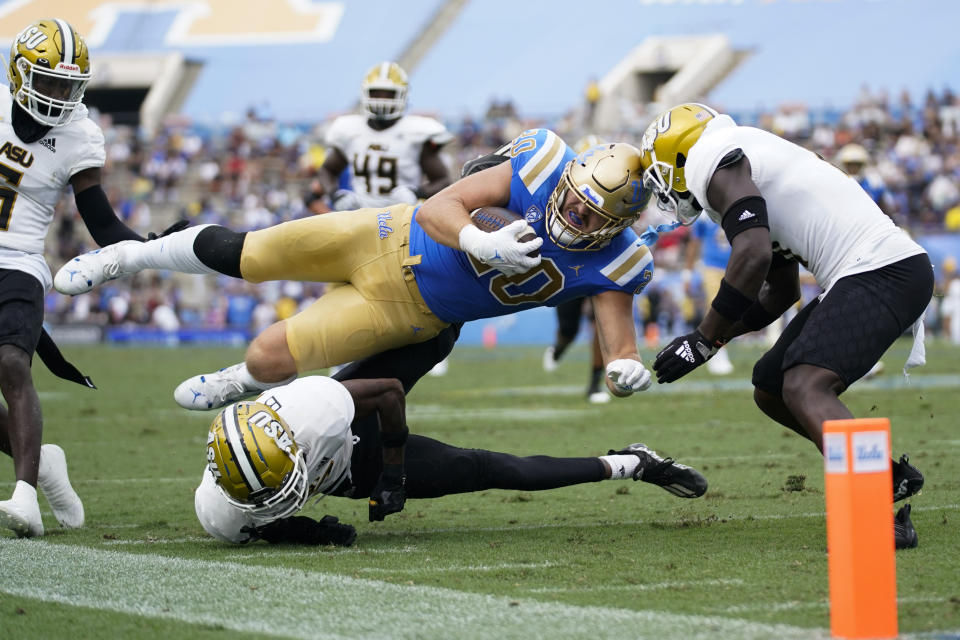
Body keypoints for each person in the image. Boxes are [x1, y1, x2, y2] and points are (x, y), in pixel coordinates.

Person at [56, 130, 658, 412]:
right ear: (573, 174)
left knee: (269, 358)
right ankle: (126, 255)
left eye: (590, 214)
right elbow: (439, 205)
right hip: (385, 233)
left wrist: (627, 372)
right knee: (252, 254)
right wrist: (480, 240)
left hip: (411, 310)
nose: (574, 213)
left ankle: (236, 382)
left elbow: (619, 347)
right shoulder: (542, 165)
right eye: (576, 197)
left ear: (615, 224)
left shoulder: (614, 260)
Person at [639, 103, 930, 549]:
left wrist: (700, 339)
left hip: (881, 269)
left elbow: (752, 254)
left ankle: (874, 516)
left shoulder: (710, 159)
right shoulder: (745, 158)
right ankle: (883, 475)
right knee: (773, 387)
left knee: (804, 386)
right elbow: (780, 291)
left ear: (678, 155)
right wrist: (715, 340)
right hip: (872, 271)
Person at [194, 329, 708, 545]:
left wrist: (393, 471)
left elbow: (390, 392)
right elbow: (266, 528)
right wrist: (314, 533)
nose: (276, 501)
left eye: (279, 485)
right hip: (353, 475)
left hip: (357, 429)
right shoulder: (223, 511)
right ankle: (633, 463)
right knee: (493, 470)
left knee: (435, 334)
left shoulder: (315, 409)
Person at [0, 18, 177, 537]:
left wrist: (151, 247)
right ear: (19, 73)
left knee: (11, 362)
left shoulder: (79, 135)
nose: (57, 96)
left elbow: (99, 220)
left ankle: (25, 496)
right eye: (48, 82)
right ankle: (46, 464)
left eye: (66, 86)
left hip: (21, 260)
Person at [314, 61, 453, 211]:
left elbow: (443, 180)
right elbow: (327, 171)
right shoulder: (350, 130)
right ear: (365, 94)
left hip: (403, 218)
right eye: (376, 93)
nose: (382, 99)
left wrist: (418, 192)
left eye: (388, 94)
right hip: (362, 216)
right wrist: (335, 195)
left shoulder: (417, 132)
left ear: (402, 95)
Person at [682, 216, 734, 375]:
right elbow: (694, 243)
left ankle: (718, 348)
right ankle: (717, 352)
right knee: (717, 308)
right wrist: (688, 273)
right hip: (712, 266)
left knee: (733, 310)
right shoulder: (704, 215)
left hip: (735, 265)